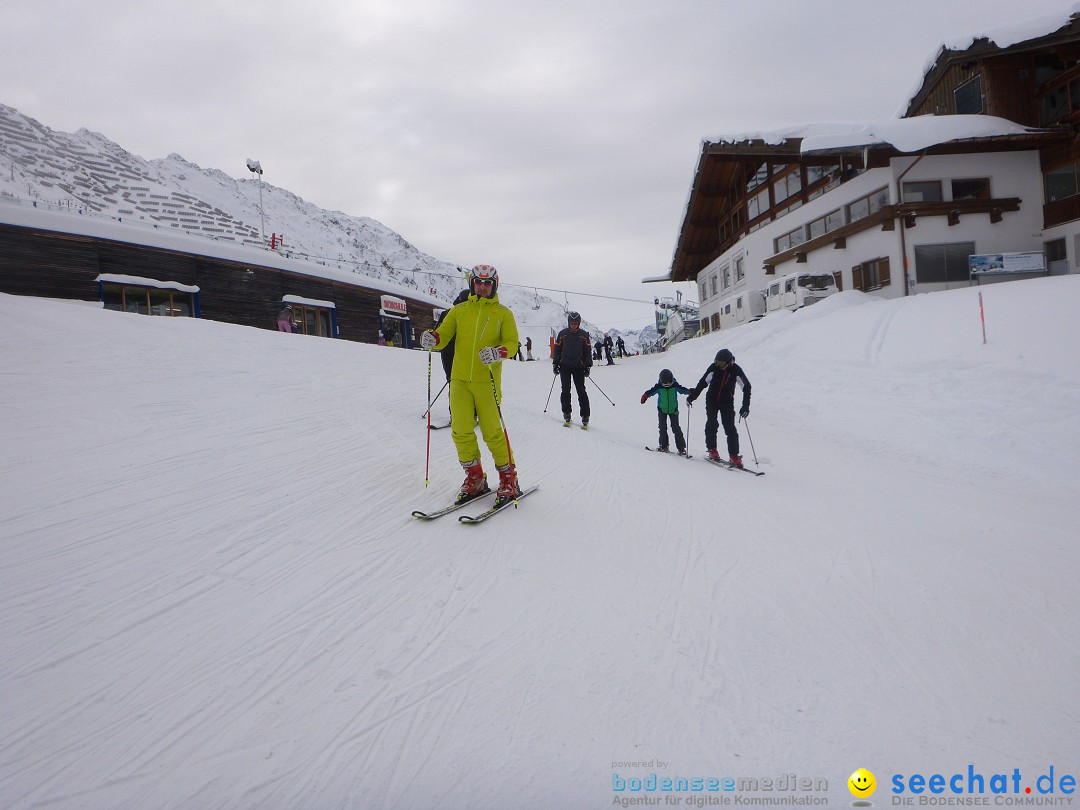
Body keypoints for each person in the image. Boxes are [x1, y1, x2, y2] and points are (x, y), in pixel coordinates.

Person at [420, 265, 522, 505]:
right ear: (471, 283)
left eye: (487, 283)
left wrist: (499, 352)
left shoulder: (503, 314)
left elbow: (513, 343)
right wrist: (432, 338)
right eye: (478, 282)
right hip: (459, 380)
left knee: (492, 432)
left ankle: (509, 479)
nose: (483, 286)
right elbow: (443, 334)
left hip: (486, 382)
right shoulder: (459, 311)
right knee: (461, 430)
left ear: (494, 285)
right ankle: (475, 477)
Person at [686, 348, 751, 466]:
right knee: (712, 423)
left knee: (730, 428)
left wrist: (745, 405)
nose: (718, 365)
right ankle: (712, 450)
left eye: (720, 363)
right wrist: (692, 397)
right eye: (716, 362)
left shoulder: (736, 370)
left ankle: (734, 456)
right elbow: (703, 383)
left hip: (727, 402)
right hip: (712, 400)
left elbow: (746, 387)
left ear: (728, 362)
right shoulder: (713, 368)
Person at [553, 311, 593, 428]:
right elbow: (557, 350)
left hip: (578, 367)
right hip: (564, 366)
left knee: (581, 391)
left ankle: (585, 416)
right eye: (572, 323)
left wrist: (587, 366)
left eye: (576, 323)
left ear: (579, 323)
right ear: (568, 323)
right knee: (565, 390)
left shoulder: (584, 335)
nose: (574, 325)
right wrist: (555, 364)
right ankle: (567, 413)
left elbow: (587, 352)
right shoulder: (562, 334)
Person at [640, 368, 690, 455]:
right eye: (665, 383)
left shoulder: (674, 385)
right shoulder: (659, 386)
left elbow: (683, 390)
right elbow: (651, 391)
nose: (667, 384)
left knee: (676, 428)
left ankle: (681, 448)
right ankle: (664, 446)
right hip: (662, 410)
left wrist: (690, 392)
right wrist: (645, 395)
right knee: (662, 428)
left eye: (669, 382)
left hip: (673, 410)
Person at [434, 290, 470, 384]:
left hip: (447, 350)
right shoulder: (452, 313)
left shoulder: (447, 312)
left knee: (452, 380)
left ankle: (453, 393)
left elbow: (437, 330)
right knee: (461, 380)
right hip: (459, 350)